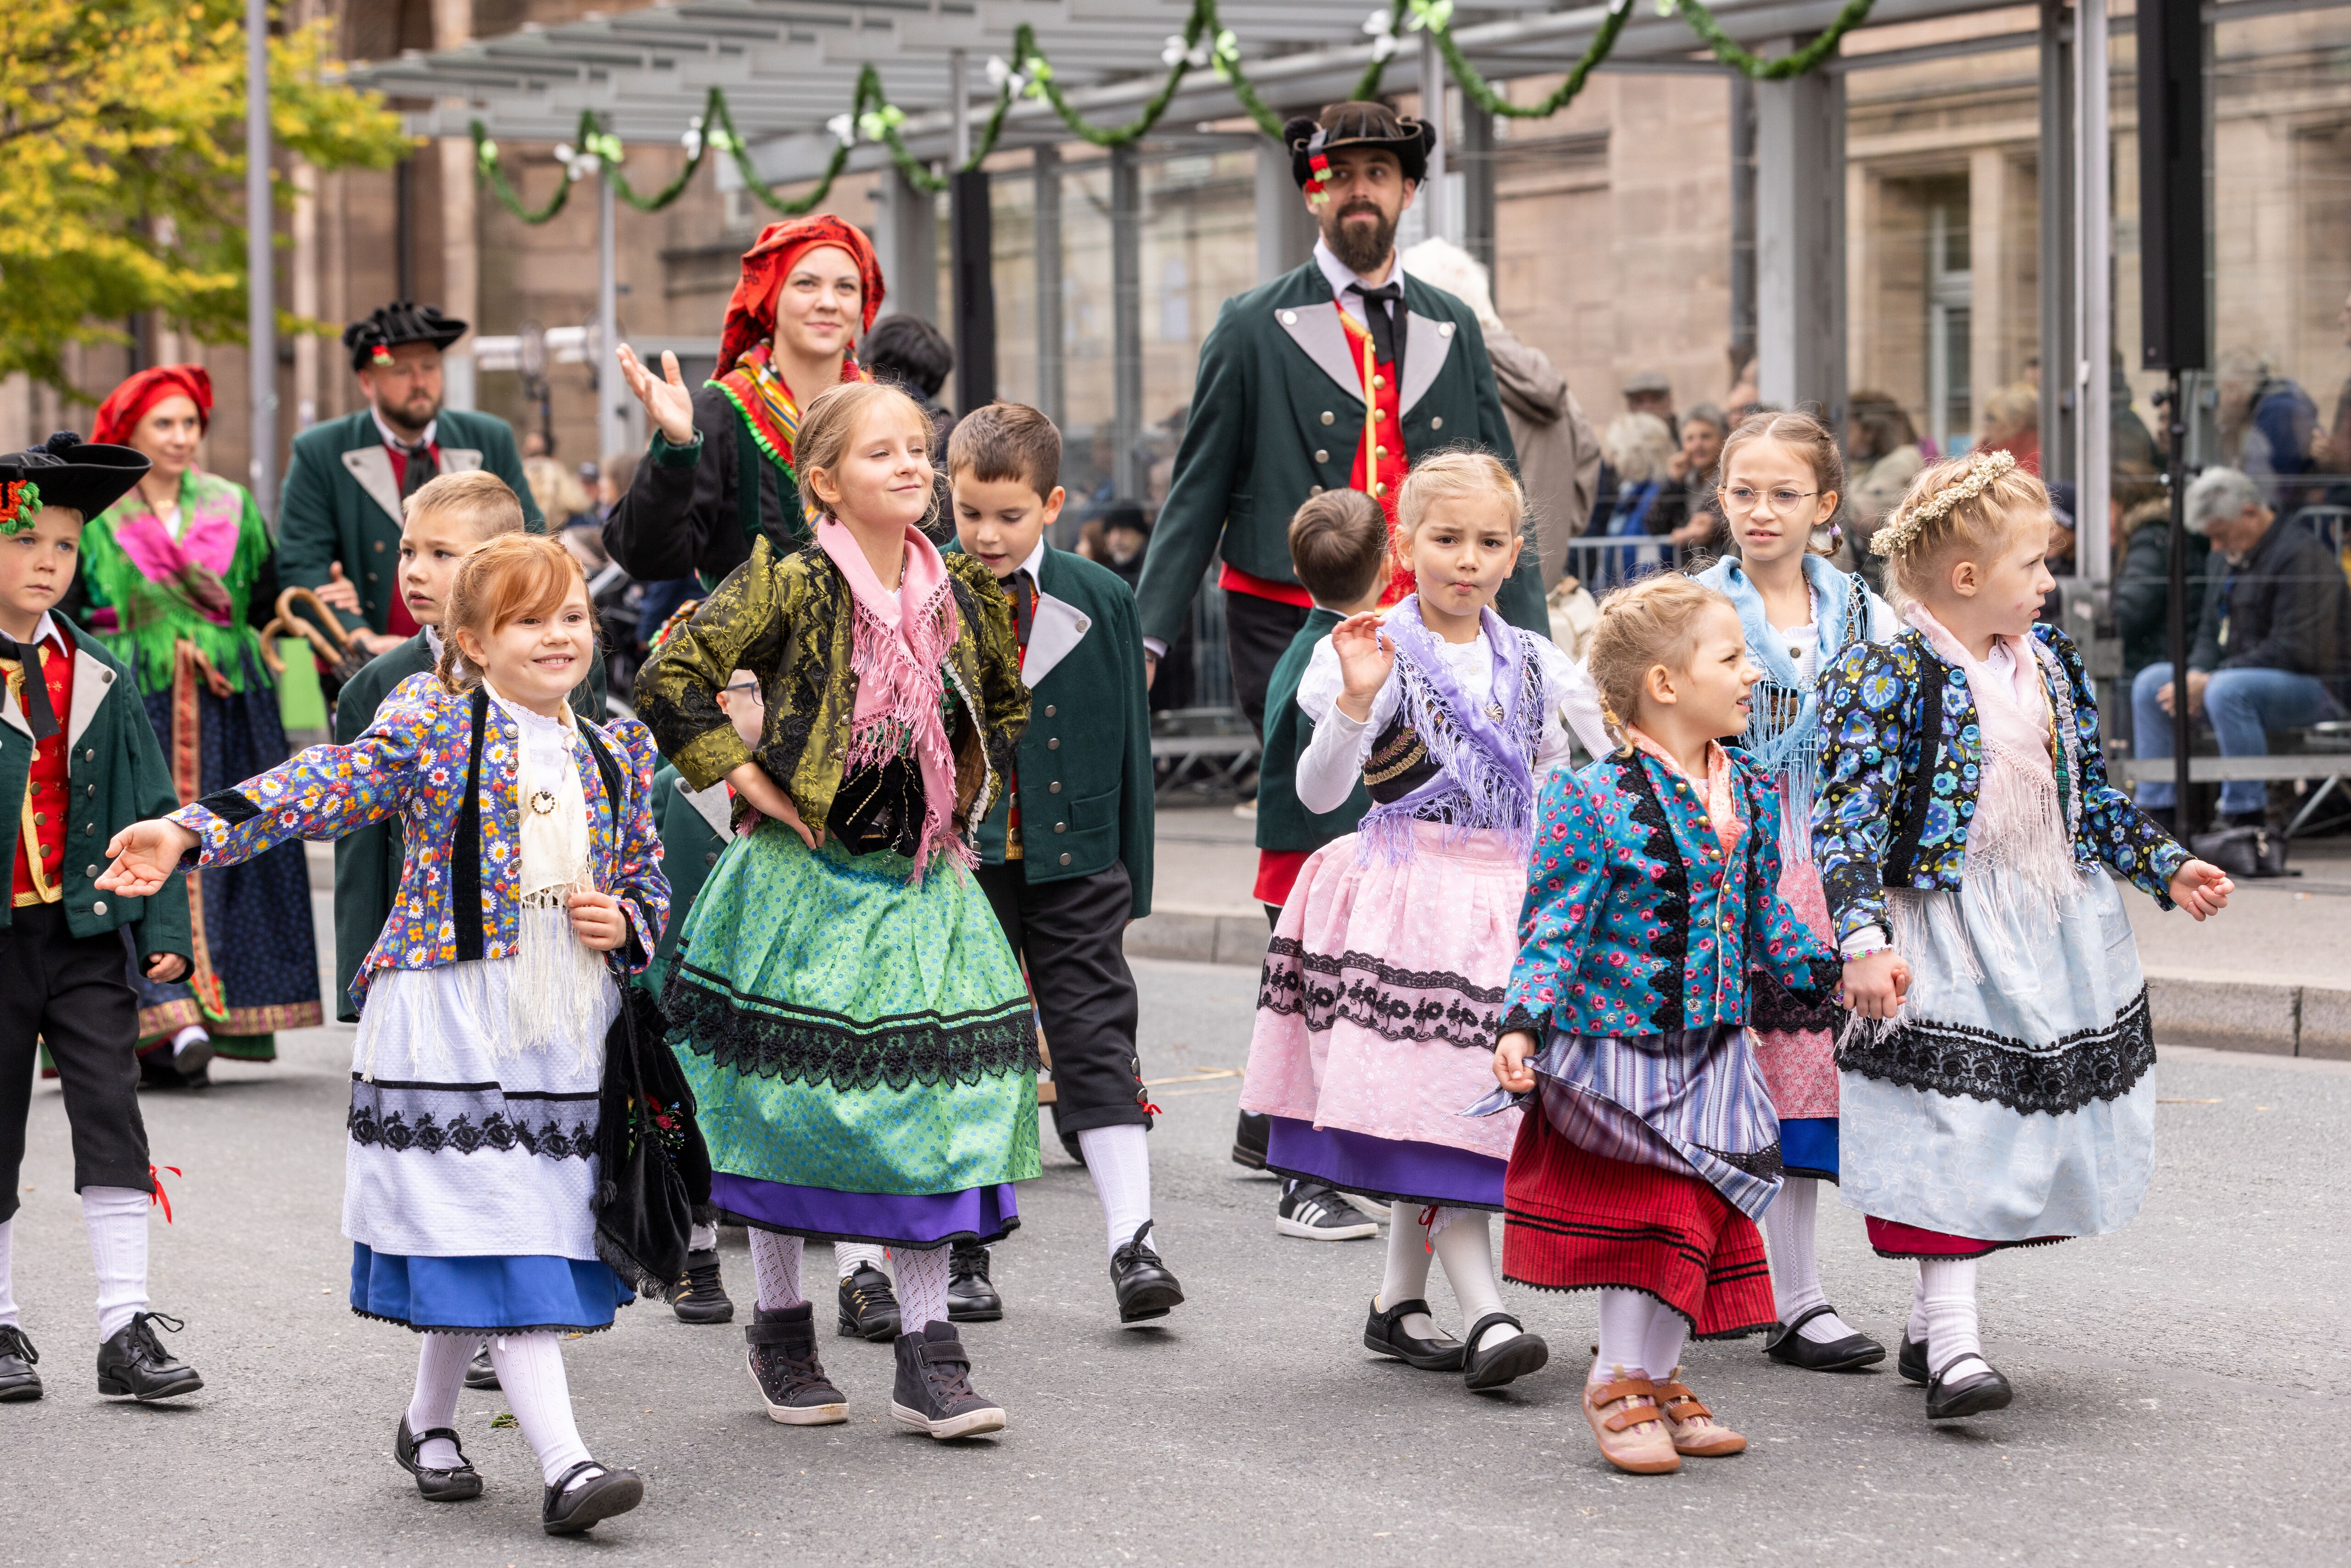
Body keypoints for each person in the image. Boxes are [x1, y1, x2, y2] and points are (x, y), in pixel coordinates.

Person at [100, 533, 666, 1531]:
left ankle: (425, 1422)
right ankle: (569, 1466)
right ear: (473, 643)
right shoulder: (433, 727)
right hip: (448, 1022)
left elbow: (648, 881)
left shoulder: (616, 751)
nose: (560, 636)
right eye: (530, 621)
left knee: (503, 1231)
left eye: (574, 616)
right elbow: (319, 784)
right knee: (500, 1233)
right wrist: (188, 830)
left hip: (566, 1031)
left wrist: (626, 921)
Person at [635, 380, 1032, 1441]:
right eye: (879, 452)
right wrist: (745, 779)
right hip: (802, 883)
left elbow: (1000, 702)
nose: (911, 465)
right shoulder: (791, 583)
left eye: (918, 448)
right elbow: (671, 677)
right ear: (822, 481)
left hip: (918, 884)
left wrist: (960, 790)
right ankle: (779, 1328)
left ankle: (928, 1354)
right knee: (780, 1109)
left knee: (931, 1109)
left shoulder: (963, 594)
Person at [1817, 450, 2233, 1424]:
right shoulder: (1885, 673)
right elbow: (1845, 822)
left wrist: (2164, 864)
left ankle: (1931, 1319)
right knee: (1948, 1129)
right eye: (2034, 563)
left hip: (2046, 925)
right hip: (1941, 929)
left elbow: (2085, 799)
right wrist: (1862, 938)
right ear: (1967, 578)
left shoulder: (2050, 663)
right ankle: (1957, 1348)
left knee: (2008, 1134)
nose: (2050, 579)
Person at [1241, 452, 1611, 1396]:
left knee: (1449, 1099)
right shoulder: (1368, 648)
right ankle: (1487, 1312)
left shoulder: (1536, 661)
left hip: (1505, 900)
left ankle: (1398, 1301)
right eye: (1446, 539)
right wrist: (1355, 703)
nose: (1467, 560)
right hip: (1407, 898)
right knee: (1442, 1102)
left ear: (1515, 553)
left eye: (1489, 542)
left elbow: (1564, 774)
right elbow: (1317, 790)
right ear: (1404, 546)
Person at [1486, 571, 1843, 1474]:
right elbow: (1554, 925)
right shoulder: (1590, 798)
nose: (1754, 672)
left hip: (1718, 1048)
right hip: (1623, 1051)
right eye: (1733, 657)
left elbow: (1765, 916)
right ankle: (1616, 1378)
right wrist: (1523, 1022)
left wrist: (1833, 973)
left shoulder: (1747, 789)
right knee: (1652, 1216)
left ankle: (1659, 1374)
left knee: (1708, 1212)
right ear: (1665, 684)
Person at [1133, 100, 1544, 743]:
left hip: (1430, 612)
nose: (1358, 190)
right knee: (1308, 789)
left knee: (1427, 795)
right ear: (1311, 193)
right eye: (1339, 174)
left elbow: (1501, 486)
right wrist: (1148, 637)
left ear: (1407, 192)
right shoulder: (1249, 324)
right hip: (1287, 611)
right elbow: (1198, 488)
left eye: (1377, 173)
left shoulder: (1454, 321)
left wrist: (1533, 643)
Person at [948, 402, 1175, 1326]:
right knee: (968, 1047)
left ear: (1052, 505)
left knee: (1096, 1038)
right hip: (962, 862)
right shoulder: (927, 591)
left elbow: (1130, 741)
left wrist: (1133, 877)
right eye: (969, 512)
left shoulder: (1101, 595)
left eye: (1009, 515)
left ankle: (1134, 1243)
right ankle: (960, 1250)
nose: (987, 534)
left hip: (1078, 857)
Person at [0, 432, 203, 1407]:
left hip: (82, 936)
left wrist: (163, 931)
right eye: (25, 541)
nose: (48, 562)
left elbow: (153, 801)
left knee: (112, 1112)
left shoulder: (99, 670)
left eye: (66, 546)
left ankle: (125, 1327)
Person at [1692, 411, 1897, 1373]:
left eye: (1784, 494)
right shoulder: (1698, 607)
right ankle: (1683, 1277)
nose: (1761, 511)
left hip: (1829, 868)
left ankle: (1798, 1296)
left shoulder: (1862, 612)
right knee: (1711, 1077)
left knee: (1804, 1088)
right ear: (1721, 499)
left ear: (1826, 505)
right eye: (1744, 492)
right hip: (1725, 861)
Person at [78, 365, 321, 1085]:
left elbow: (270, 610)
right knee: (124, 847)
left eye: (191, 423)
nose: (182, 437)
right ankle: (158, 1013)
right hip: (132, 700)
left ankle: (210, 1015)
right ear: (130, 431)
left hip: (229, 707)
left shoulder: (232, 503)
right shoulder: (99, 516)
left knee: (226, 846)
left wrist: (302, 711)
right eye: (165, 423)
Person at [1230, 489, 1392, 1244]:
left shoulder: (1314, 645)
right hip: (1322, 861)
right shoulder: (1339, 658)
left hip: (1297, 860)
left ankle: (1267, 1134)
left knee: (1313, 1008)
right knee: (1326, 1018)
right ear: (1388, 562)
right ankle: (1304, 1181)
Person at [605, 214, 883, 590]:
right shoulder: (719, 413)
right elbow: (648, 557)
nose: (828, 302)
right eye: (806, 283)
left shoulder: (885, 413)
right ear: (772, 296)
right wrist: (676, 449)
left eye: (846, 287)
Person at [277, 302, 543, 657]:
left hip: (477, 654)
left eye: (429, 367)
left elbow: (529, 542)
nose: (420, 382)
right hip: (364, 660)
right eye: (401, 371)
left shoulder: (489, 438)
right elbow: (302, 562)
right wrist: (356, 633)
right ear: (367, 382)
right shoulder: (321, 450)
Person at [2130, 466, 2351, 830]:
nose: (2216, 547)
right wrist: (2195, 675)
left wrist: (2210, 680)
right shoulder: (2224, 558)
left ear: (2251, 513)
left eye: (2221, 535)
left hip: (2318, 687)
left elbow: (2294, 649)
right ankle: (2158, 811)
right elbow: (2209, 633)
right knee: (2151, 684)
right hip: (2235, 679)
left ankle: (2243, 815)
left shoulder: (2303, 557)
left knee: (2226, 690)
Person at [637, 637, 752, 1332]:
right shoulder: (668, 787)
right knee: (685, 1113)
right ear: (720, 703)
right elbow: (647, 891)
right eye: (756, 689)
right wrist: (651, 982)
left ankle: (859, 1268)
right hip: (682, 983)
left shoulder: (812, 777)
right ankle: (696, 1250)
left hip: (770, 980)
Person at [1400, 237, 1599, 591]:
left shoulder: (1451, 378)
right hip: (1538, 584)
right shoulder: (1554, 383)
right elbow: (1585, 485)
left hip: (1461, 594)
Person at [2113, 487, 2212, 693]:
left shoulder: (2151, 539)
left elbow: (2130, 612)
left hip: (2157, 660)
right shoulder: (2160, 534)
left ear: (2122, 506)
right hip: (2165, 657)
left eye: (2106, 507)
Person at [2214, 350, 2320, 513]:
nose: (2217, 405)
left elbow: (2260, 492)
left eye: (2218, 394)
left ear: (2233, 388)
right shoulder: (2281, 401)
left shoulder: (2274, 415)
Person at [1840, 391, 1925, 591]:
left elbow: (1868, 517)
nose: (1841, 436)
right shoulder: (1866, 465)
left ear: (1870, 432)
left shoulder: (1903, 460)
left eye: (1848, 429)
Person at [1592, 414, 1683, 586]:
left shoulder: (1655, 495)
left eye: (1616, 453)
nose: (1612, 462)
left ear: (1635, 454)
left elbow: (1647, 555)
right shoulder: (1629, 495)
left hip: (1642, 590)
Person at [1666, 402, 1728, 550]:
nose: (1697, 445)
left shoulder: (1730, 478)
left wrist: (1714, 526)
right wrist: (1673, 483)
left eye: (1706, 437)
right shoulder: (1686, 480)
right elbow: (1655, 526)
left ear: (1723, 440)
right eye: (1690, 439)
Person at [1978, 383, 2041, 475]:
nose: (1985, 425)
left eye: (1991, 418)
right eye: (1986, 418)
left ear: (2017, 423)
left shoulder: (2035, 461)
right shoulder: (1984, 451)